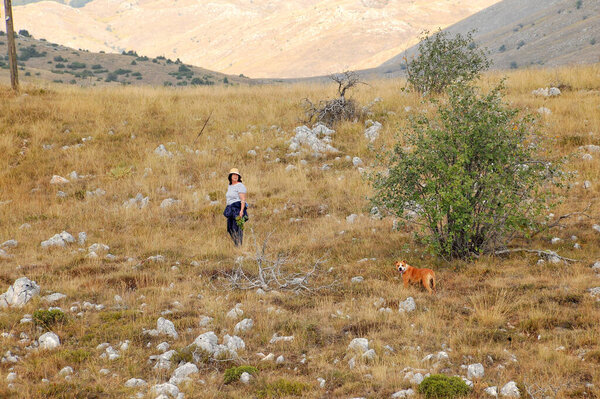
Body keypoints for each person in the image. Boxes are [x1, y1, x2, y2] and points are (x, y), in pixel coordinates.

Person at [223, 168, 248, 246]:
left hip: (237, 208)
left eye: (237, 175)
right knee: (230, 228)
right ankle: (236, 243)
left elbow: (243, 199)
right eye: (233, 175)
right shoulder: (230, 186)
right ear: (230, 176)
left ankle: (239, 246)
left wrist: (241, 211)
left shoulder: (240, 185)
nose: (235, 176)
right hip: (230, 209)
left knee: (237, 228)